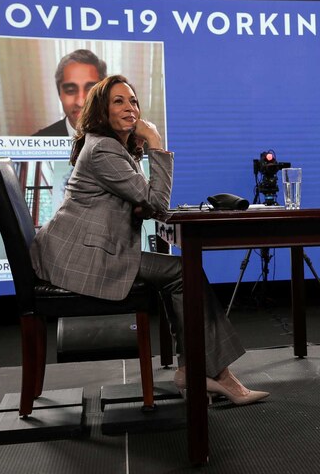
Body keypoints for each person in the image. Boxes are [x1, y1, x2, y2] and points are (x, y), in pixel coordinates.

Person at [29, 74, 268, 405]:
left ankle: (202, 370)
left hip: (86, 252)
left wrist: (142, 191)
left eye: (134, 101)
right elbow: (157, 203)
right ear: (101, 110)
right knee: (184, 273)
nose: (131, 108)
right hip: (82, 258)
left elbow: (144, 203)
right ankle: (208, 373)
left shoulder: (110, 148)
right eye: (119, 101)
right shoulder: (103, 150)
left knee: (183, 272)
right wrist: (155, 141)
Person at [33, 49, 106, 137]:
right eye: (70, 90)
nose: (80, 102)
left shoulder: (122, 139)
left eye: (91, 90)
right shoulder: (40, 140)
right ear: (60, 94)